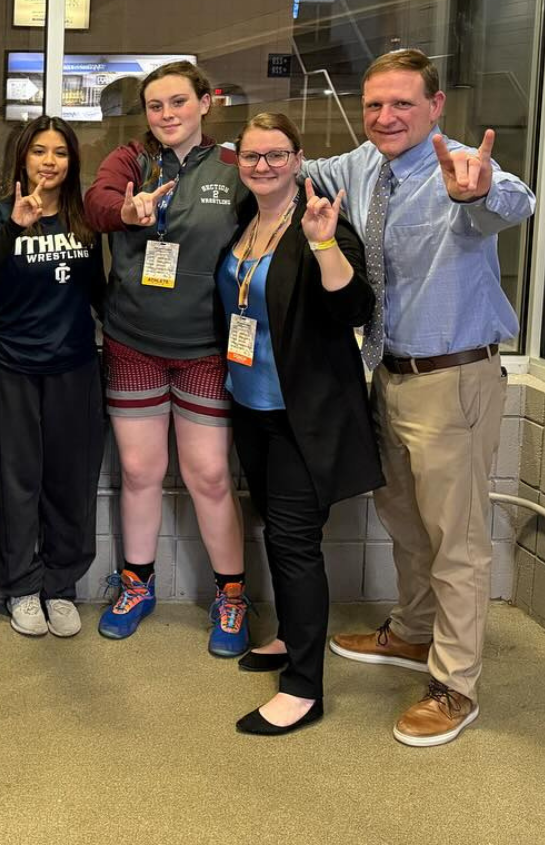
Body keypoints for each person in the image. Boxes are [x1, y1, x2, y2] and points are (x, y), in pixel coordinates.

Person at [306, 48, 535, 747]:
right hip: (387, 373)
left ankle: (456, 684)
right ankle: (411, 631)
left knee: (456, 539)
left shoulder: (457, 166)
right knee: (404, 518)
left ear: (435, 107)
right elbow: (287, 168)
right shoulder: (361, 165)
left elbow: (514, 199)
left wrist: (480, 189)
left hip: (452, 379)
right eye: (375, 104)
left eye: (403, 103)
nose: (385, 117)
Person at [215, 112, 382, 735]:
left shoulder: (319, 221)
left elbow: (354, 306)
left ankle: (304, 687)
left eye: (276, 155)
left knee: (292, 543)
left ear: (298, 157)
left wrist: (323, 243)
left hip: (301, 415)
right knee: (277, 534)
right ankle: (290, 637)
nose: (264, 167)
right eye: (253, 157)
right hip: (250, 406)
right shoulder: (244, 219)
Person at [81, 61, 249, 654]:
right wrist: (126, 213)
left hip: (206, 348)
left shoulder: (234, 166)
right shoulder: (130, 160)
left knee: (207, 474)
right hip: (133, 343)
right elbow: (96, 205)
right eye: (156, 106)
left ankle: (232, 599)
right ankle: (137, 585)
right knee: (139, 471)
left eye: (179, 101)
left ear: (207, 102)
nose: (167, 114)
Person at [0, 116, 105, 638]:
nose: (50, 161)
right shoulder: (3, 216)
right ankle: (21, 586)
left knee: (69, 481)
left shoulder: (84, 219)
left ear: (72, 162)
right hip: (12, 369)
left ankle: (60, 586)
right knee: (18, 480)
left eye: (61, 153)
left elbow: (99, 294)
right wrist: (13, 229)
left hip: (74, 367)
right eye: (39, 151)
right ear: (21, 159)